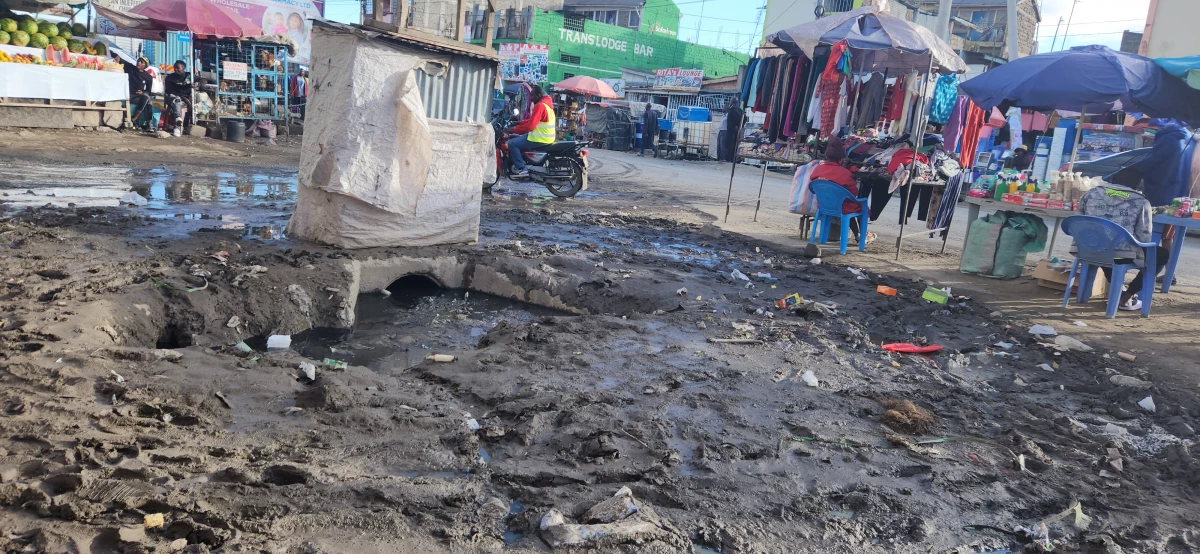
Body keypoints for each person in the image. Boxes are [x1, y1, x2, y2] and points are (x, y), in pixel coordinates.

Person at [1075, 181, 1170, 311]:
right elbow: (1144, 237)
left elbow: (1078, 218)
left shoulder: (1091, 193)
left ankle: (1119, 292)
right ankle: (1128, 294)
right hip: (1119, 256)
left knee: (1106, 247)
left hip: (1089, 249)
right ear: (1136, 185)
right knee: (1161, 255)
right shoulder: (1141, 202)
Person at [809, 137, 876, 245]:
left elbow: (812, 186)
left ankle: (858, 235)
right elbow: (854, 193)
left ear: (826, 156)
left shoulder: (818, 169)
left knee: (847, 205)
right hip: (842, 208)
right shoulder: (845, 173)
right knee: (857, 204)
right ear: (841, 159)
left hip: (824, 206)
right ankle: (862, 236)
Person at [506, 85, 555, 177]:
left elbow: (530, 127)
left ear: (539, 95)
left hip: (540, 138)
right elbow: (532, 121)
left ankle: (521, 168)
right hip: (546, 137)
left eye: (533, 96)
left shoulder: (540, 106)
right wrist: (518, 123)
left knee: (512, 143)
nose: (531, 99)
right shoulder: (547, 105)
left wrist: (513, 130)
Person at [115, 55, 153, 131]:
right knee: (147, 100)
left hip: (138, 97)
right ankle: (146, 123)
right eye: (138, 60)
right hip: (128, 95)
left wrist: (143, 92)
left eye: (141, 62)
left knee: (147, 98)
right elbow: (120, 59)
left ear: (145, 66)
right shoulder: (130, 68)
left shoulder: (148, 77)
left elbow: (149, 91)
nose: (139, 62)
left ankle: (136, 119)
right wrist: (116, 57)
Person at [164, 60, 195, 134]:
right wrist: (180, 96)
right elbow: (169, 91)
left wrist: (198, 83)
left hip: (185, 100)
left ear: (183, 68)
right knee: (177, 100)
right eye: (175, 67)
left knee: (179, 102)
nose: (175, 69)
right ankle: (177, 125)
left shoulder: (189, 76)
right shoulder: (170, 78)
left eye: (178, 68)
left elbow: (203, 80)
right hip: (172, 98)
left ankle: (177, 124)